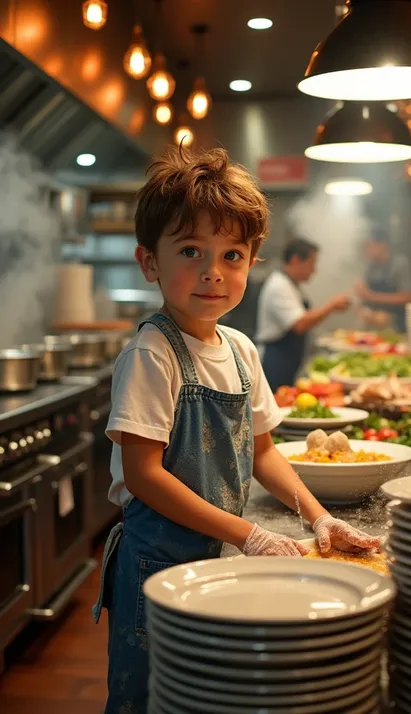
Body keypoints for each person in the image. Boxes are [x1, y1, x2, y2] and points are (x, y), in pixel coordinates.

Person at [91, 147, 380, 714]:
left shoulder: (242, 350)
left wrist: (319, 518)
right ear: (149, 261)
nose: (212, 272)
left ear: (251, 263)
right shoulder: (153, 354)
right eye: (191, 250)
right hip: (156, 564)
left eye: (232, 255)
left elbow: (265, 454)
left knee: (206, 692)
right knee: (149, 696)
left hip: (214, 554)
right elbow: (144, 476)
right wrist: (248, 534)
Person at [256, 238, 350, 392]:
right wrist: (331, 306)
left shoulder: (291, 285)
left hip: (287, 360)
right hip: (274, 361)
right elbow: (299, 324)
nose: (314, 270)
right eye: (312, 263)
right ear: (295, 260)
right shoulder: (279, 285)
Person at [355, 229, 411, 332]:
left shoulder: (400, 264)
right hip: (376, 327)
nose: (366, 251)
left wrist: (372, 296)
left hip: (398, 327)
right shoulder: (370, 267)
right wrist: (362, 310)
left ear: (382, 245)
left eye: (369, 246)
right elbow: (365, 298)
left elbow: (409, 297)